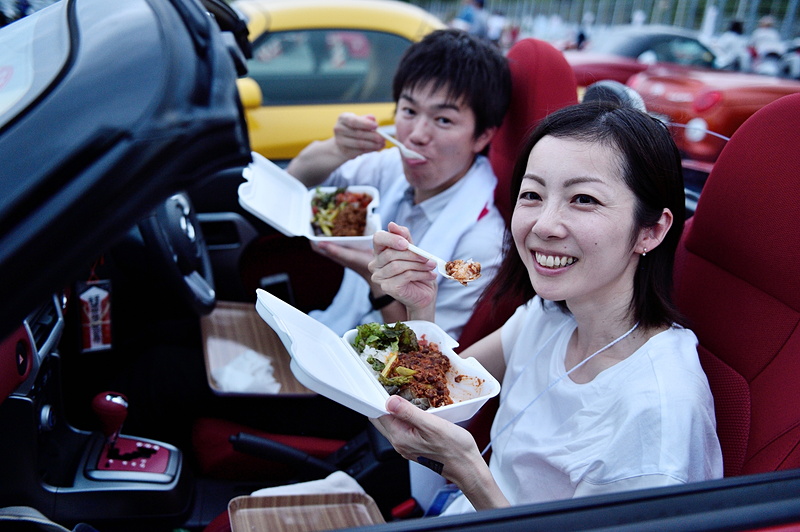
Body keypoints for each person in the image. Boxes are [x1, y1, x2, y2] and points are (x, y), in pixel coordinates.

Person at [368, 101, 723, 513]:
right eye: (533, 194)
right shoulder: (549, 315)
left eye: (584, 199)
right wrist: (420, 309)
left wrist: (468, 469)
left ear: (651, 230)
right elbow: (441, 394)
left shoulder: (658, 416)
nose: (543, 225)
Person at [285, 28, 511, 340]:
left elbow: (430, 356)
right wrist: (337, 149)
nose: (417, 133)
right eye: (409, 110)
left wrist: (375, 278)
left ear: (483, 135)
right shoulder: (389, 167)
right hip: (333, 334)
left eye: (443, 119)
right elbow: (294, 188)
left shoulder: (480, 247)